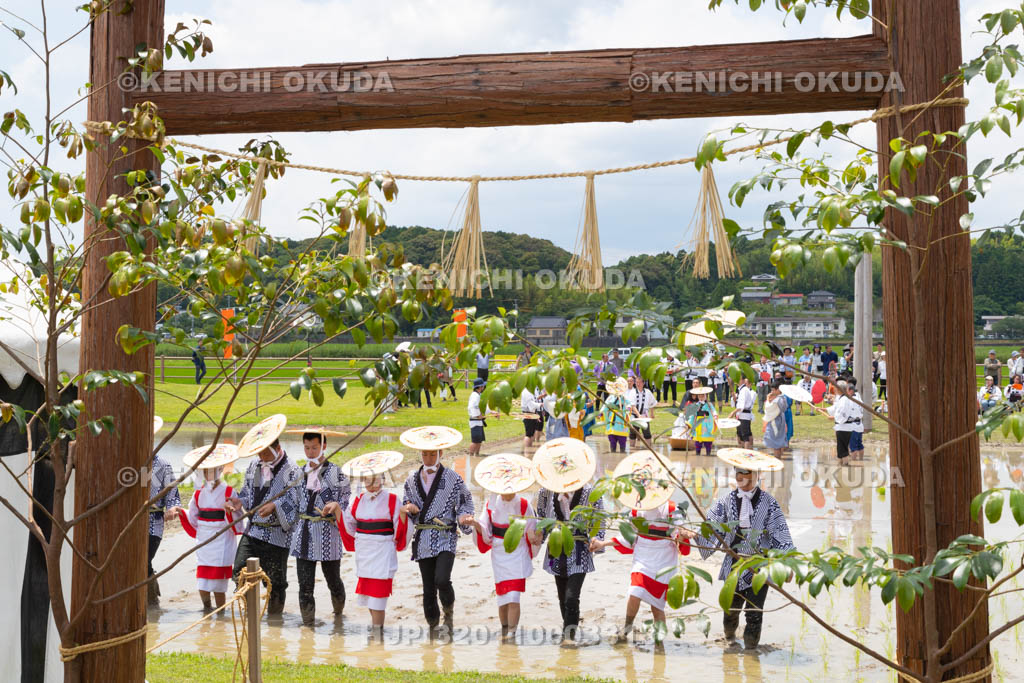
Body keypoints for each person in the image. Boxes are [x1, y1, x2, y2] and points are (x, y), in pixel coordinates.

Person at [685, 451, 795, 649]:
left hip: (759, 566)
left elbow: (780, 533)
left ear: (756, 475)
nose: (740, 477)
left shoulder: (769, 503)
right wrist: (694, 533)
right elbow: (711, 525)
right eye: (738, 472)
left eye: (745, 473)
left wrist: (787, 564)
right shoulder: (725, 501)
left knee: (754, 612)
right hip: (733, 562)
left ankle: (751, 651)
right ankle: (730, 639)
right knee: (731, 608)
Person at [400, 428, 475, 638]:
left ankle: (448, 613)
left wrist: (464, 517)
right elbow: (406, 501)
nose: (429, 457)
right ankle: (432, 629)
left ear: (441, 453)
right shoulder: (411, 480)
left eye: (433, 453)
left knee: (442, 579)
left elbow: (466, 502)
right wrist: (409, 507)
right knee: (428, 586)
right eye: (425, 453)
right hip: (423, 538)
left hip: (445, 536)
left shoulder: (453, 478)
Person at [533, 438, 604, 646]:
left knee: (573, 595)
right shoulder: (545, 492)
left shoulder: (591, 493)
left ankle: (568, 638)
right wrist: (539, 536)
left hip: (580, 549)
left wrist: (597, 540)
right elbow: (542, 519)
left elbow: (600, 519)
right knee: (562, 594)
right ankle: (568, 627)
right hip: (556, 549)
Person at [228, 415, 301, 616]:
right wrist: (238, 502)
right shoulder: (254, 466)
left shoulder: (293, 471)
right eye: (258, 453)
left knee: (276, 582)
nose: (262, 458)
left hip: (277, 535)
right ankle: (249, 615)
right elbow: (246, 493)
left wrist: (276, 505)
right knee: (239, 573)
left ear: (277, 448)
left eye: (265, 454)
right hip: (253, 531)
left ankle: (274, 625)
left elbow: (297, 504)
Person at [339, 450, 410, 642]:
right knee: (369, 594)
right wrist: (338, 511)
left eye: (375, 480)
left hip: (382, 551)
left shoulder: (393, 500)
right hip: (365, 551)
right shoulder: (357, 499)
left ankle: (377, 630)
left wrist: (403, 515)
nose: (371, 484)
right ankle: (375, 627)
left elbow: (399, 531)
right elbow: (349, 525)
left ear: (383, 480)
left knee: (379, 594)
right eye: (367, 480)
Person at [470, 454, 540, 642]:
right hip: (500, 552)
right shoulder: (490, 505)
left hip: (518, 551)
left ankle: (512, 632)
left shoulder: (524, 504)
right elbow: (485, 527)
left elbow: (532, 528)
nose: (506, 492)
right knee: (502, 596)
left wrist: (534, 537)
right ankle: (504, 628)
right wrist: (476, 525)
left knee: (514, 595)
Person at [289, 428, 351, 625]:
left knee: (333, 580)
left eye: (315, 448)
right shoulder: (298, 473)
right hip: (304, 533)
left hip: (327, 533)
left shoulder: (336, 472)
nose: (310, 452)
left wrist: (337, 507)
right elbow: (291, 501)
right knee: (305, 584)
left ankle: (338, 614)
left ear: (324, 446)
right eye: (307, 448)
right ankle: (308, 624)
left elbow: (347, 501)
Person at [179, 444, 242, 612]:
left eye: (213, 470)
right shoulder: (198, 493)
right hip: (205, 538)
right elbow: (193, 514)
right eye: (206, 471)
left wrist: (232, 510)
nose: (209, 474)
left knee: (219, 582)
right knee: (202, 579)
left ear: (220, 470)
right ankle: (206, 608)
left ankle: (221, 611)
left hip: (222, 538)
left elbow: (238, 515)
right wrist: (181, 512)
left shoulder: (229, 491)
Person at [147, 422, 182, 606]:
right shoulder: (126, 464)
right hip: (130, 523)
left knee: (144, 560)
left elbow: (173, 496)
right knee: (137, 564)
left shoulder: (164, 465)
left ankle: (151, 601)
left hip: (154, 522)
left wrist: (173, 508)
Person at [830, 380, 858, 463]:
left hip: (843, 427)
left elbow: (843, 413)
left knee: (843, 451)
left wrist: (834, 417)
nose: (834, 390)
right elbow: (836, 409)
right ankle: (841, 467)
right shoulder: (842, 398)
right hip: (843, 427)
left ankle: (845, 469)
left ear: (839, 389)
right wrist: (824, 409)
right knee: (841, 449)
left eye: (835, 388)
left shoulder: (844, 399)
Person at [687, 387, 718, 456]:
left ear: (706, 396)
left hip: (706, 424)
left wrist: (715, 415)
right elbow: (692, 415)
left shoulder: (709, 405)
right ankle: (698, 454)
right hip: (698, 425)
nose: (701, 397)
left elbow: (713, 411)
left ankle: (708, 453)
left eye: (703, 395)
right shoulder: (696, 405)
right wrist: (689, 423)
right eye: (699, 396)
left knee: (708, 442)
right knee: (698, 443)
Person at [626, 375, 656, 449]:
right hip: (634, 414)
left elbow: (653, 403)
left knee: (647, 432)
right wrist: (638, 415)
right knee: (633, 431)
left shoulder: (648, 392)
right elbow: (633, 406)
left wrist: (652, 413)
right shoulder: (632, 392)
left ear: (643, 383)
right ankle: (632, 448)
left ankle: (649, 448)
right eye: (637, 382)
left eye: (639, 382)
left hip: (644, 415)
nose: (638, 384)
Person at [603, 378, 631, 453]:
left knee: (622, 440)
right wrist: (601, 412)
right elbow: (605, 406)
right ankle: (613, 451)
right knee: (612, 439)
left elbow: (629, 404)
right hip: (611, 419)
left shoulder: (624, 398)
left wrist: (628, 408)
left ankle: (622, 451)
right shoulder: (610, 398)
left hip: (620, 419)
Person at [762, 381, 788, 458]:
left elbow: (768, 408)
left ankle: (777, 460)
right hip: (781, 420)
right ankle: (779, 459)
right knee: (779, 442)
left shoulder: (778, 400)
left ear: (778, 390)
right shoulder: (783, 398)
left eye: (773, 390)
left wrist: (767, 399)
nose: (772, 392)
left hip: (775, 421)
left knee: (776, 444)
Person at [730, 376, 756, 448]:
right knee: (740, 434)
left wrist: (733, 412)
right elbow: (736, 404)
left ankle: (747, 452)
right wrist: (734, 398)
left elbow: (741, 406)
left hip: (744, 415)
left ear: (743, 380)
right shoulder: (740, 390)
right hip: (740, 415)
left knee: (745, 435)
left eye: (739, 379)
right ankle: (742, 450)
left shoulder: (744, 390)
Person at [844, 378, 866, 461]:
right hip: (859, 425)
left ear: (850, 390)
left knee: (853, 447)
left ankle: (854, 463)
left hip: (853, 426)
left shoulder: (851, 399)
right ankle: (861, 460)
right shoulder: (858, 396)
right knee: (859, 445)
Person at [520, 386, 543, 452]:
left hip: (532, 413)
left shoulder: (530, 391)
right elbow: (530, 405)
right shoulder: (527, 392)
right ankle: (527, 451)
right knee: (529, 434)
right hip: (528, 413)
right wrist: (540, 405)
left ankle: (530, 449)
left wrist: (536, 415)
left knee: (532, 433)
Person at [468, 378, 487, 457]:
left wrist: (492, 412)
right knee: (475, 441)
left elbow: (483, 406)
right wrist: (478, 415)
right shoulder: (475, 396)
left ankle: (477, 455)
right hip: (475, 421)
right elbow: (473, 407)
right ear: (480, 387)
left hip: (479, 421)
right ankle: (471, 456)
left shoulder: (479, 395)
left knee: (479, 440)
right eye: (483, 386)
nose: (484, 387)